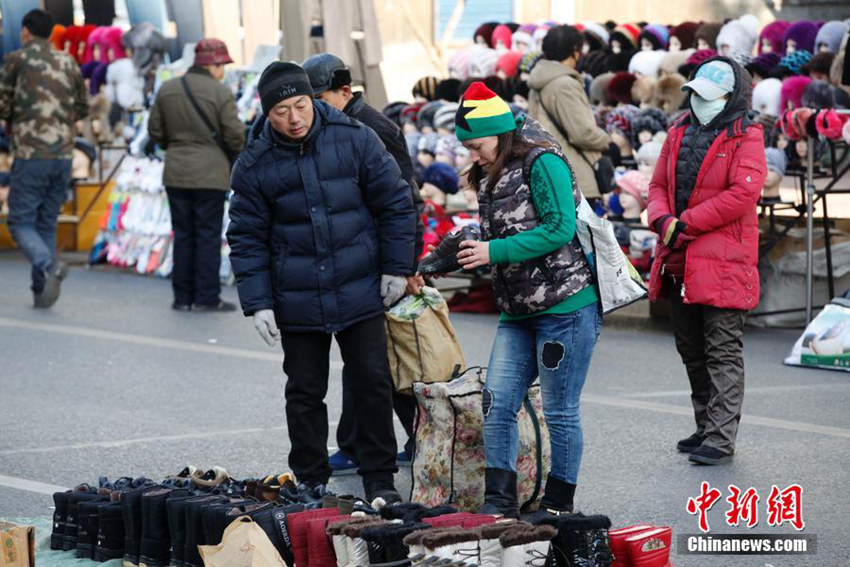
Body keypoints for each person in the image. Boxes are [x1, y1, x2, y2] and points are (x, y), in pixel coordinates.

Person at [227, 62, 416, 503]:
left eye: (300, 105)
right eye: (281, 111)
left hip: (359, 283)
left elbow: (395, 203)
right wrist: (258, 303)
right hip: (296, 295)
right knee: (305, 390)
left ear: (312, 99)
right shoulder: (254, 163)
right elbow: (246, 237)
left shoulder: (355, 137)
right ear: (266, 113)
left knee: (372, 381)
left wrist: (397, 266)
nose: (294, 118)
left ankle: (379, 475)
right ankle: (310, 479)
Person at [453, 82, 602, 518]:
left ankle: (559, 506)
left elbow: (560, 228)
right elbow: (502, 234)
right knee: (496, 402)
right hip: (517, 309)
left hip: (567, 307)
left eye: (476, 146)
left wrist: (493, 252)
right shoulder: (491, 170)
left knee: (559, 411)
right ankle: (499, 500)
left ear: (500, 133)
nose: (473, 157)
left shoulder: (544, 161)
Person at [302, 52, 424, 474]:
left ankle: (422, 436)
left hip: (379, 259)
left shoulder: (372, 128)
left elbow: (406, 199)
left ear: (343, 91)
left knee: (386, 362)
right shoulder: (333, 125)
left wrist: (406, 265)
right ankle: (357, 442)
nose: (311, 108)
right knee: (368, 361)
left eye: (318, 97)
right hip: (359, 258)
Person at [647, 57, 765, 466]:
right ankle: (705, 425)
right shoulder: (679, 129)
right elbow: (658, 184)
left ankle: (720, 436)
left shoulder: (747, 135)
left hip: (724, 260)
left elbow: (741, 195)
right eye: (696, 94)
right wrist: (661, 219)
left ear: (733, 98)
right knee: (691, 348)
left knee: (722, 350)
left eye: (709, 97)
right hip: (680, 256)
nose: (700, 102)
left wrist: (685, 223)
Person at [148, 38, 245, 312]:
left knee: (183, 234)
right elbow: (235, 135)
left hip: (176, 172)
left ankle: (182, 297)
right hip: (210, 174)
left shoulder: (168, 89)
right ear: (212, 64)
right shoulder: (220, 92)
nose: (223, 71)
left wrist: (174, 145)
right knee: (207, 235)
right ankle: (206, 297)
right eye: (222, 65)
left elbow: (155, 130)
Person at [0, 9, 87, 308]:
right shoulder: (68, 61)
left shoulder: (17, 60)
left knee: (20, 221)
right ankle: (41, 291)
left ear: (25, 32)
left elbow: (3, 104)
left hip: (30, 153)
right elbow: (83, 107)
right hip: (63, 153)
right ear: (51, 34)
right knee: (46, 222)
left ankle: (47, 266)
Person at [527, 25, 611, 200]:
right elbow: (582, 133)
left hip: (549, 171)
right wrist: (608, 141)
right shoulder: (564, 84)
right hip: (574, 174)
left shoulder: (539, 81)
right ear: (575, 50)